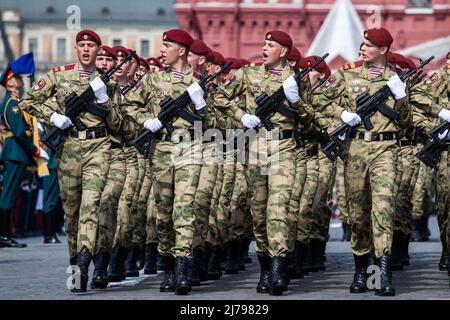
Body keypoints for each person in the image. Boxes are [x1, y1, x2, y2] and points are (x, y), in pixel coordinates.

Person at [22, 29, 123, 292]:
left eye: (92, 45)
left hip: (98, 147)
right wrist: (53, 117)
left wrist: (104, 101)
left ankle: (84, 263)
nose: (87, 49)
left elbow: (119, 126)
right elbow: (28, 101)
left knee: (91, 207)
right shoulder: (59, 75)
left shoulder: (108, 84)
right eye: (83, 45)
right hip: (68, 147)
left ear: (99, 51)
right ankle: (75, 267)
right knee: (73, 214)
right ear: (76, 49)